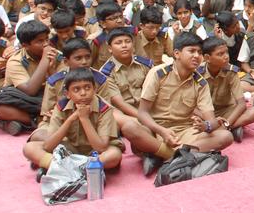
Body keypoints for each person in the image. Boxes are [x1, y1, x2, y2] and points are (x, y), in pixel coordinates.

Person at [138, 31, 233, 173]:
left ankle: (163, 156)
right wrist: (162, 131)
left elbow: (211, 120)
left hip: (185, 131)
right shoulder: (158, 74)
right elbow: (142, 113)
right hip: (156, 129)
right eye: (191, 51)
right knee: (133, 130)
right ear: (177, 53)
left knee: (226, 136)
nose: (197, 56)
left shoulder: (200, 83)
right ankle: (182, 156)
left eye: (199, 52)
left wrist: (206, 126)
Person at [23, 67, 124, 178]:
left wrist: (84, 119)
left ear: (94, 89)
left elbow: (101, 148)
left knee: (114, 155)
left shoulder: (104, 108)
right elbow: (48, 145)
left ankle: (60, 169)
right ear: (67, 94)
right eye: (76, 90)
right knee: (30, 148)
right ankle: (84, 171)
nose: (83, 93)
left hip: (95, 153)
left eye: (87, 88)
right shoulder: (61, 106)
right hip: (70, 150)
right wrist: (71, 118)